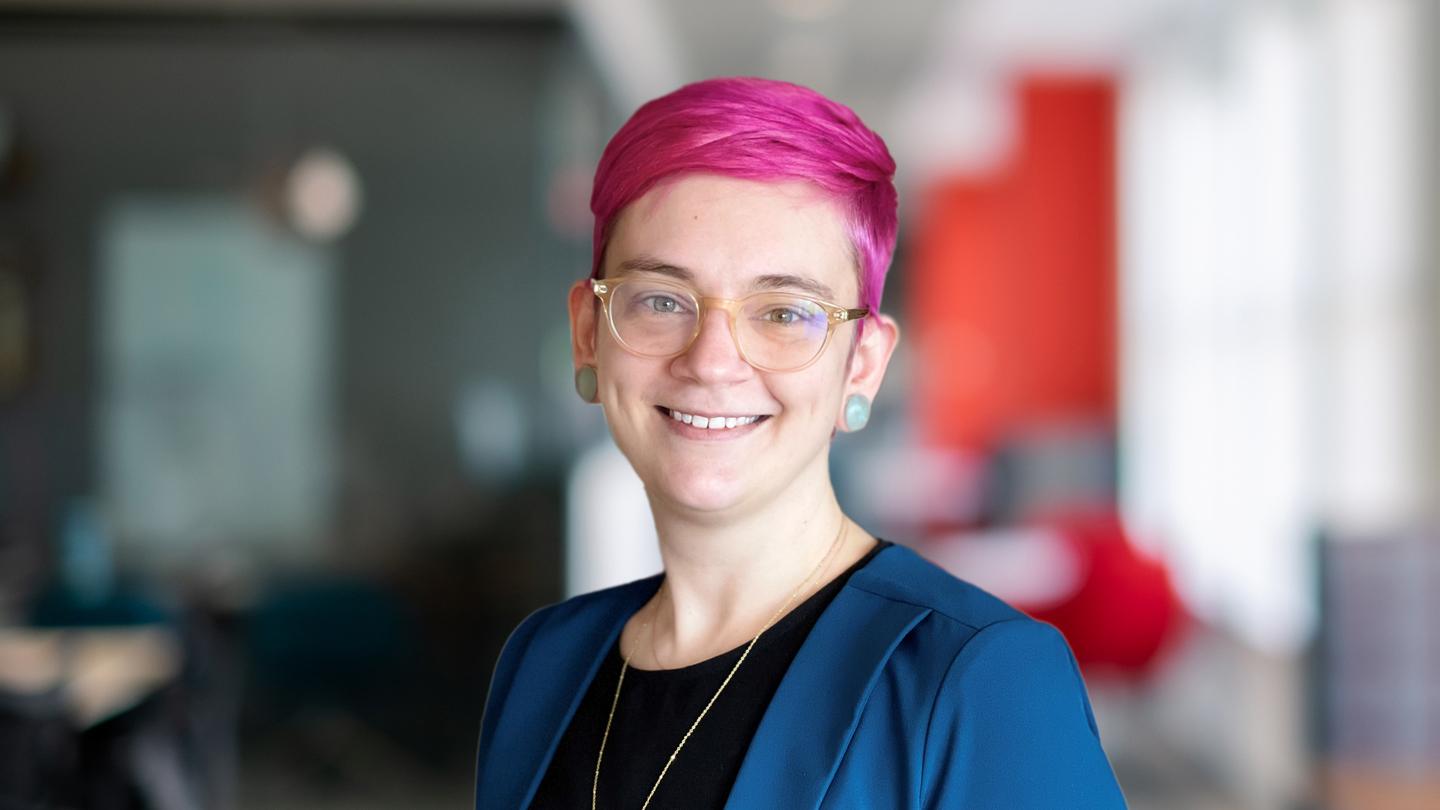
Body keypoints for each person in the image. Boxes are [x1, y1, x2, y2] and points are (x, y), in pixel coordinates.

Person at [475, 77, 1126, 810]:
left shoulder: (982, 681)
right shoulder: (542, 664)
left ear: (864, 365)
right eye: (661, 299)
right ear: (588, 335)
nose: (711, 362)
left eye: (784, 312)